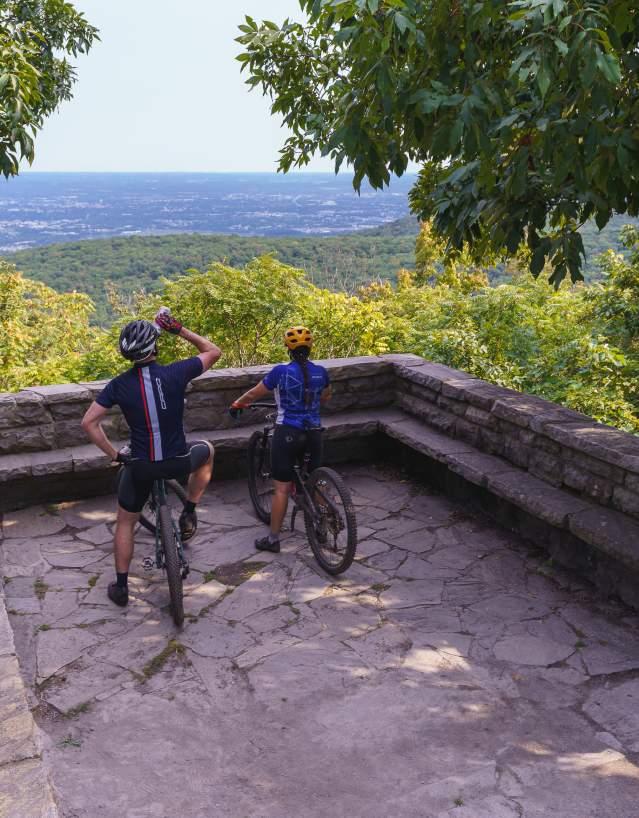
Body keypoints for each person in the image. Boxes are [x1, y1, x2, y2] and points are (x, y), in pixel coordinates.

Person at [81, 312, 221, 607]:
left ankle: (121, 588)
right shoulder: (175, 373)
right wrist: (179, 329)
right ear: (155, 347)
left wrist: (116, 455)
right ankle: (190, 510)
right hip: (179, 461)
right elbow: (213, 351)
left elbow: (89, 423)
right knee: (207, 449)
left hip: (141, 467)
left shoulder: (117, 385)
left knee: (125, 522)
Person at [229, 326, 331, 553]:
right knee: (317, 481)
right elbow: (325, 397)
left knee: (282, 489)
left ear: (288, 348)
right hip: (314, 432)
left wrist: (237, 404)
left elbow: (255, 393)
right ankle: (323, 526)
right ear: (310, 347)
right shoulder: (321, 372)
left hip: (288, 433)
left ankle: (273, 539)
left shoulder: (280, 372)